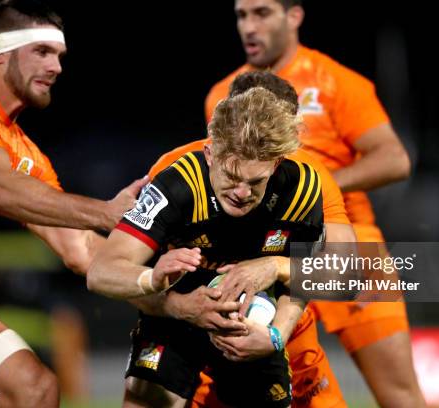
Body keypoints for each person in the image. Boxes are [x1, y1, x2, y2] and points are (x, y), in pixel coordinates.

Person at [204, 1, 425, 407]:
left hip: (350, 246)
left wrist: (314, 192)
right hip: (265, 252)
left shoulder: (337, 82)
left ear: (294, 16)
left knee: (399, 395)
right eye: (240, 15)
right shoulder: (223, 95)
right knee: (282, 394)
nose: (248, 26)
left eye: (261, 13)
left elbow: (394, 158)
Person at [0, 1, 144, 406]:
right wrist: (105, 211)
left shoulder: (24, 153)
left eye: (60, 56)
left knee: (31, 390)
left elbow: (81, 249)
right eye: (42, 52)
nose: (57, 67)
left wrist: (168, 295)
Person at [88, 87, 336, 407]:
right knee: (147, 396)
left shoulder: (301, 190)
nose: (242, 193)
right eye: (232, 176)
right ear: (210, 155)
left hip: (250, 324)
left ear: (275, 167)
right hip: (172, 316)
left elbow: (325, 275)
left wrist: (276, 333)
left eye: (256, 182)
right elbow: (101, 271)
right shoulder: (178, 184)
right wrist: (153, 280)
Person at [146, 71, 355, 408]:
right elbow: (124, 265)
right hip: (185, 330)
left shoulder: (308, 179)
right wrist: (177, 306)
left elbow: (348, 273)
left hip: (284, 325)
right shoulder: (174, 171)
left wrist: (275, 268)